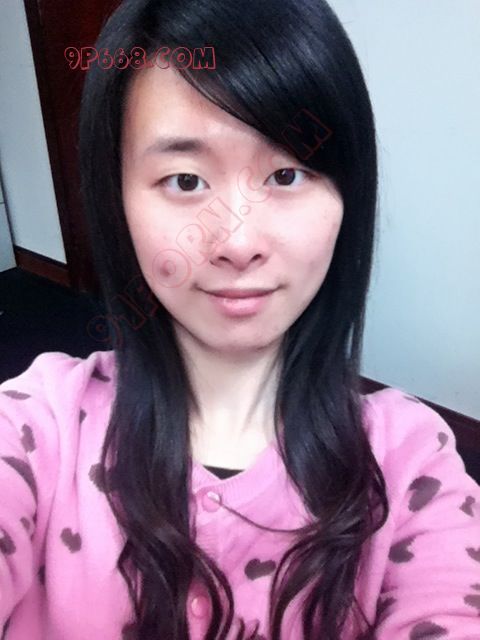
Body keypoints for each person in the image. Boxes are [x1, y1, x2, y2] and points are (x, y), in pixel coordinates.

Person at [1, 0, 479, 638]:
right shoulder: (37, 428)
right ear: (118, 201)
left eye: (286, 173)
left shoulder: (410, 463)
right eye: (185, 180)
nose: (237, 242)